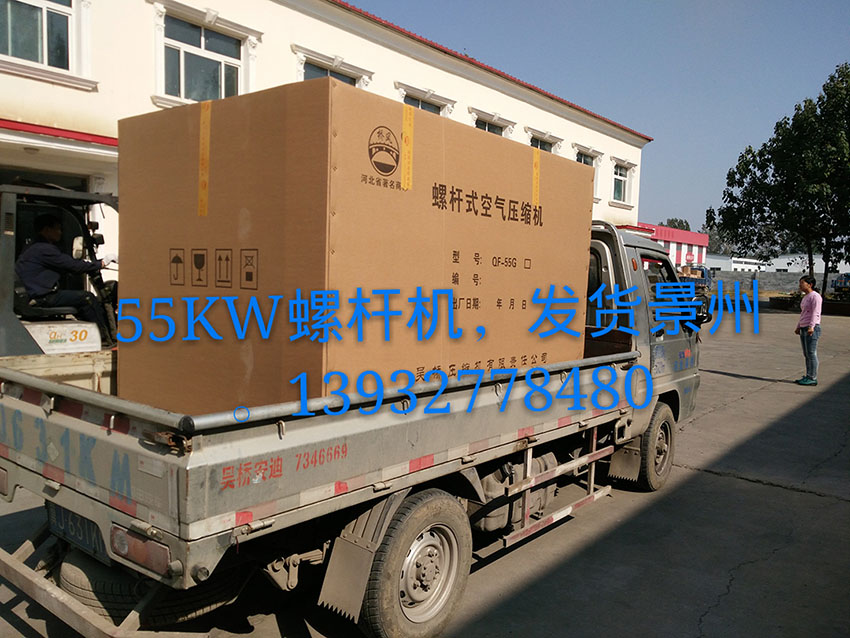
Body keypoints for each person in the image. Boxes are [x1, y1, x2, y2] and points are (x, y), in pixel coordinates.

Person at [15, 214, 118, 346]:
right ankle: (104, 340)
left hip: (37, 293)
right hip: (43, 297)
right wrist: (101, 263)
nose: (60, 232)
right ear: (47, 230)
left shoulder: (33, 247)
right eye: (57, 229)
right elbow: (72, 265)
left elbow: (65, 265)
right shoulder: (43, 248)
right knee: (87, 298)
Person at [794, 275, 822, 386]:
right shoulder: (806, 297)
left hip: (812, 328)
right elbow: (804, 313)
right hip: (804, 327)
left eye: (802, 283)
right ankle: (808, 375)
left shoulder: (815, 296)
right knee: (806, 354)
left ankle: (812, 377)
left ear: (810, 285)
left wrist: (811, 326)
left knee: (811, 353)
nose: (800, 285)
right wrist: (799, 326)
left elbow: (816, 312)